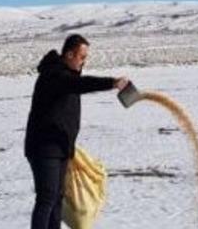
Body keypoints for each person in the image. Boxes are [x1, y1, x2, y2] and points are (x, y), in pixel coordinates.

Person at [24, 34, 129, 229]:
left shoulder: (66, 75)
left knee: (57, 198)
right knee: (46, 198)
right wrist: (111, 82)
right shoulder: (54, 75)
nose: (84, 61)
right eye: (82, 57)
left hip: (61, 146)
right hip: (44, 148)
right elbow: (80, 85)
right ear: (69, 54)